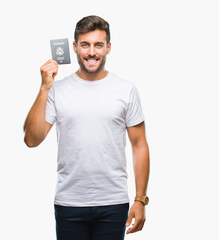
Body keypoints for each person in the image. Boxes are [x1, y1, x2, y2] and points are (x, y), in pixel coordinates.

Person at [23, 15, 150, 240]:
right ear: (75, 47)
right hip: (69, 203)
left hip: (113, 202)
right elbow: (32, 140)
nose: (92, 52)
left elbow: (139, 145)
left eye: (98, 45)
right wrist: (44, 88)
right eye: (85, 45)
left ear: (108, 47)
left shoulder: (126, 90)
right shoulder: (56, 90)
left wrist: (140, 199)